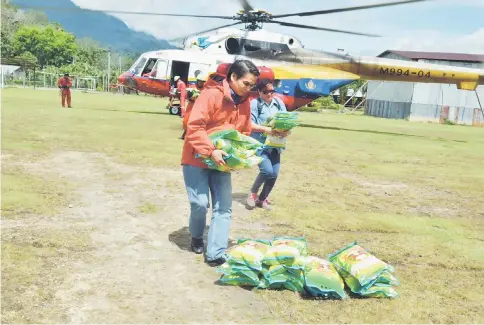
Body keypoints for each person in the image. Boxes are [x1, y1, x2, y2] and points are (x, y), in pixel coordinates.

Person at [181, 60, 260, 267]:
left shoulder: (245, 103)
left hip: (223, 163)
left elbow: (244, 132)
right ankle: (197, 236)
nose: (250, 89)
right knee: (199, 204)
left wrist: (240, 155)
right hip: (196, 157)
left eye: (253, 86)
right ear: (232, 77)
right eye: (247, 84)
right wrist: (211, 150)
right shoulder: (211, 95)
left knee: (223, 207)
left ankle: (216, 253)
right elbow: (194, 126)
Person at [246, 79, 289, 211]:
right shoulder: (254, 104)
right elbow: (250, 125)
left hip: (276, 144)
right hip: (260, 144)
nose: (269, 94)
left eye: (272, 91)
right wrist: (267, 129)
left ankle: (262, 198)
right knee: (267, 171)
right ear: (259, 92)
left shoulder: (279, 103)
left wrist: (286, 130)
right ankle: (253, 195)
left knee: (274, 174)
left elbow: (286, 121)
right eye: (266, 92)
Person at [180, 73, 207, 140]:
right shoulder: (192, 87)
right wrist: (191, 97)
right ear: (197, 81)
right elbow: (188, 96)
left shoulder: (205, 89)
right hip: (191, 106)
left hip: (199, 108)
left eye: (202, 82)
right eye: (200, 81)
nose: (201, 83)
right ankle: (185, 133)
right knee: (186, 121)